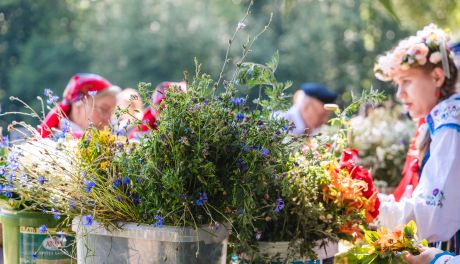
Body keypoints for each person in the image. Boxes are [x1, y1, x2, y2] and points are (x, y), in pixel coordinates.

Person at [374, 24, 460, 254]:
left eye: (407, 81)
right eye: (397, 84)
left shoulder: (451, 124)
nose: (399, 93)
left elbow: (430, 215)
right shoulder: (442, 119)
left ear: (437, 76)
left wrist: (370, 205)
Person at [38, 73, 121, 138]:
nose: (108, 119)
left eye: (113, 112)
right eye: (104, 109)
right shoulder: (55, 140)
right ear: (79, 102)